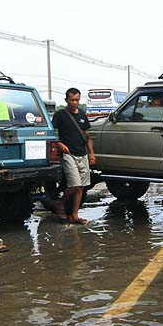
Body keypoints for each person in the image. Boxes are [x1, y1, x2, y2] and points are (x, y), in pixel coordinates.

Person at [44, 87, 95, 224]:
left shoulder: (83, 115)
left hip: (82, 154)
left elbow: (87, 136)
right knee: (75, 184)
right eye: (72, 100)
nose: (75, 102)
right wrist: (59, 143)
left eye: (77, 100)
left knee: (81, 186)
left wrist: (91, 153)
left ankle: (74, 215)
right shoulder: (60, 114)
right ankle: (60, 204)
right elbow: (52, 133)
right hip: (68, 154)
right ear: (66, 100)